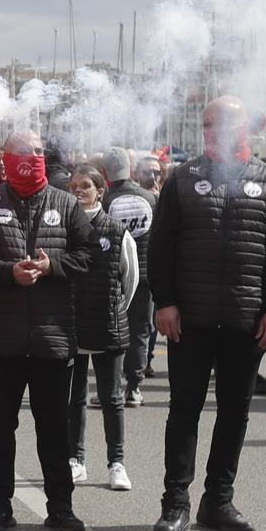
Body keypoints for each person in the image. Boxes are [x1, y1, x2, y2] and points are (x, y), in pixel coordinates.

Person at [147, 97, 266, 531]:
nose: (213, 131)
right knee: (184, 410)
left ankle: (218, 500)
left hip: (246, 320)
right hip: (189, 320)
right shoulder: (183, 178)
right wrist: (165, 302)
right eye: (208, 124)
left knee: (235, 412)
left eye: (222, 123)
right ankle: (175, 504)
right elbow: (161, 248)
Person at [0, 130, 99, 531]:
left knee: (55, 428)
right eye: (25, 153)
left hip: (53, 338)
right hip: (1, 338)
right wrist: (8, 273)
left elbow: (87, 256)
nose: (33, 158)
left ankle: (61, 507)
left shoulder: (66, 203)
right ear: (6, 160)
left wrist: (51, 266)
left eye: (38, 151)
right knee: (0, 429)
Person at [66, 167, 138, 491]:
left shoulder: (117, 230)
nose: (79, 191)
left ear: (100, 190)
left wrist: (115, 308)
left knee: (112, 397)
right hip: (71, 325)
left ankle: (116, 464)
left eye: (86, 186)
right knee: (73, 398)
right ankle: (76, 461)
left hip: (107, 324)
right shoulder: (64, 226)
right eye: (74, 186)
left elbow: (130, 279)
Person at [103, 148, 157, 407]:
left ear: (105, 173)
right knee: (140, 332)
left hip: (112, 275)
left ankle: (112, 387)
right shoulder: (149, 198)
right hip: (145, 275)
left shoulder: (104, 200)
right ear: (131, 169)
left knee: (111, 331)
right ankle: (133, 387)